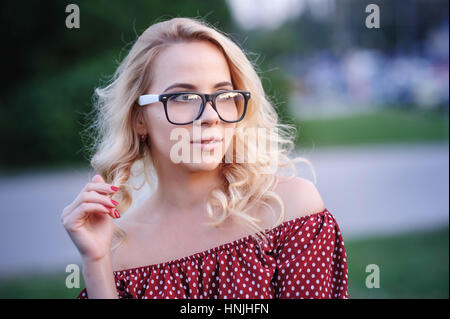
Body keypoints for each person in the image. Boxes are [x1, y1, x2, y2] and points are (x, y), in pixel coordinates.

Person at [61, 17, 348, 299]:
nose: (210, 117)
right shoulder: (116, 249)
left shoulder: (288, 211)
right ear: (139, 119)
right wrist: (97, 263)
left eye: (223, 95)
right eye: (184, 98)